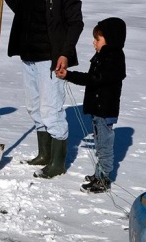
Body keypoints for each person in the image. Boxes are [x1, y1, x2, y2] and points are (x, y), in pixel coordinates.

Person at [0, 0, 84, 179]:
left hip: (51, 58)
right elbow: (23, 12)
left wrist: (64, 53)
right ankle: (44, 154)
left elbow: (76, 24)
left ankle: (58, 162)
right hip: (29, 55)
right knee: (34, 107)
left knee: (50, 109)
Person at [56, 17, 127, 193]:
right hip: (98, 109)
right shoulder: (102, 56)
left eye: (98, 39)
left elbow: (95, 80)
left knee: (104, 146)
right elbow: (92, 78)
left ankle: (104, 179)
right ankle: (98, 174)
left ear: (110, 39)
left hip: (105, 110)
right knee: (99, 143)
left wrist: (70, 76)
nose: (93, 42)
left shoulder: (114, 58)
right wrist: (69, 75)